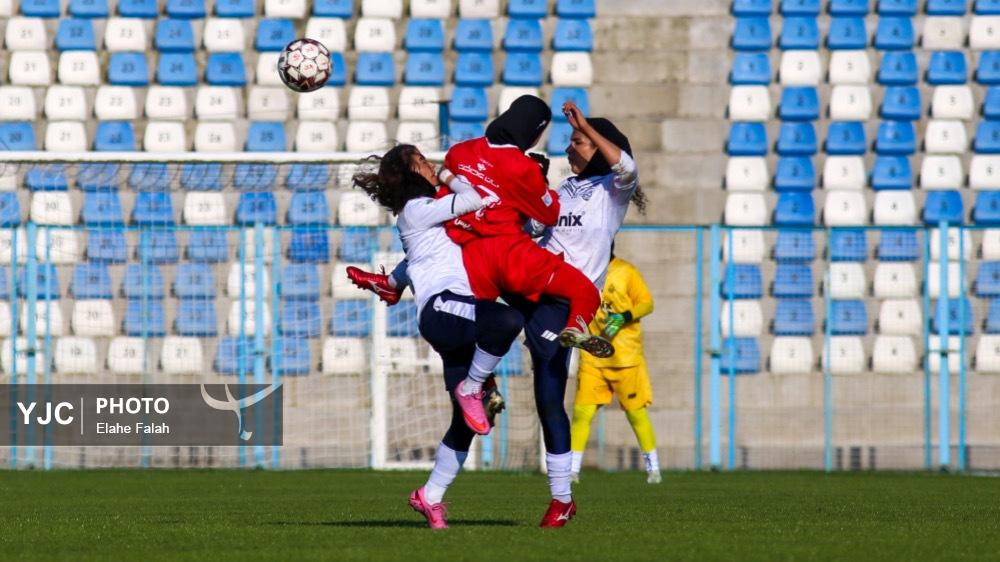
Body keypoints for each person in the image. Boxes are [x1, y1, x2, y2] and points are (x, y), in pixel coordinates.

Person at [349, 144, 525, 529]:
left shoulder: (423, 218)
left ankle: (430, 497)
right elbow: (476, 198)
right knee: (508, 321)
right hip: (444, 309)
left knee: (468, 424)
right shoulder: (417, 210)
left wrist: (389, 282)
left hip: (451, 317)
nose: (430, 167)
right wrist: (448, 172)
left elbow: (416, 262)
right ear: (410, 171)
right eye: (422, 162)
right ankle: (473, 386)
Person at [569, 249, 660, 484]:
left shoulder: (626, 271)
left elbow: (647, 304)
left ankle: (654, 469)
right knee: (582, 413)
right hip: (593, 357)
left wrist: (625, 316)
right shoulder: (583, 270)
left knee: (635, 413)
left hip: (626, 358)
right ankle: (571, 471)